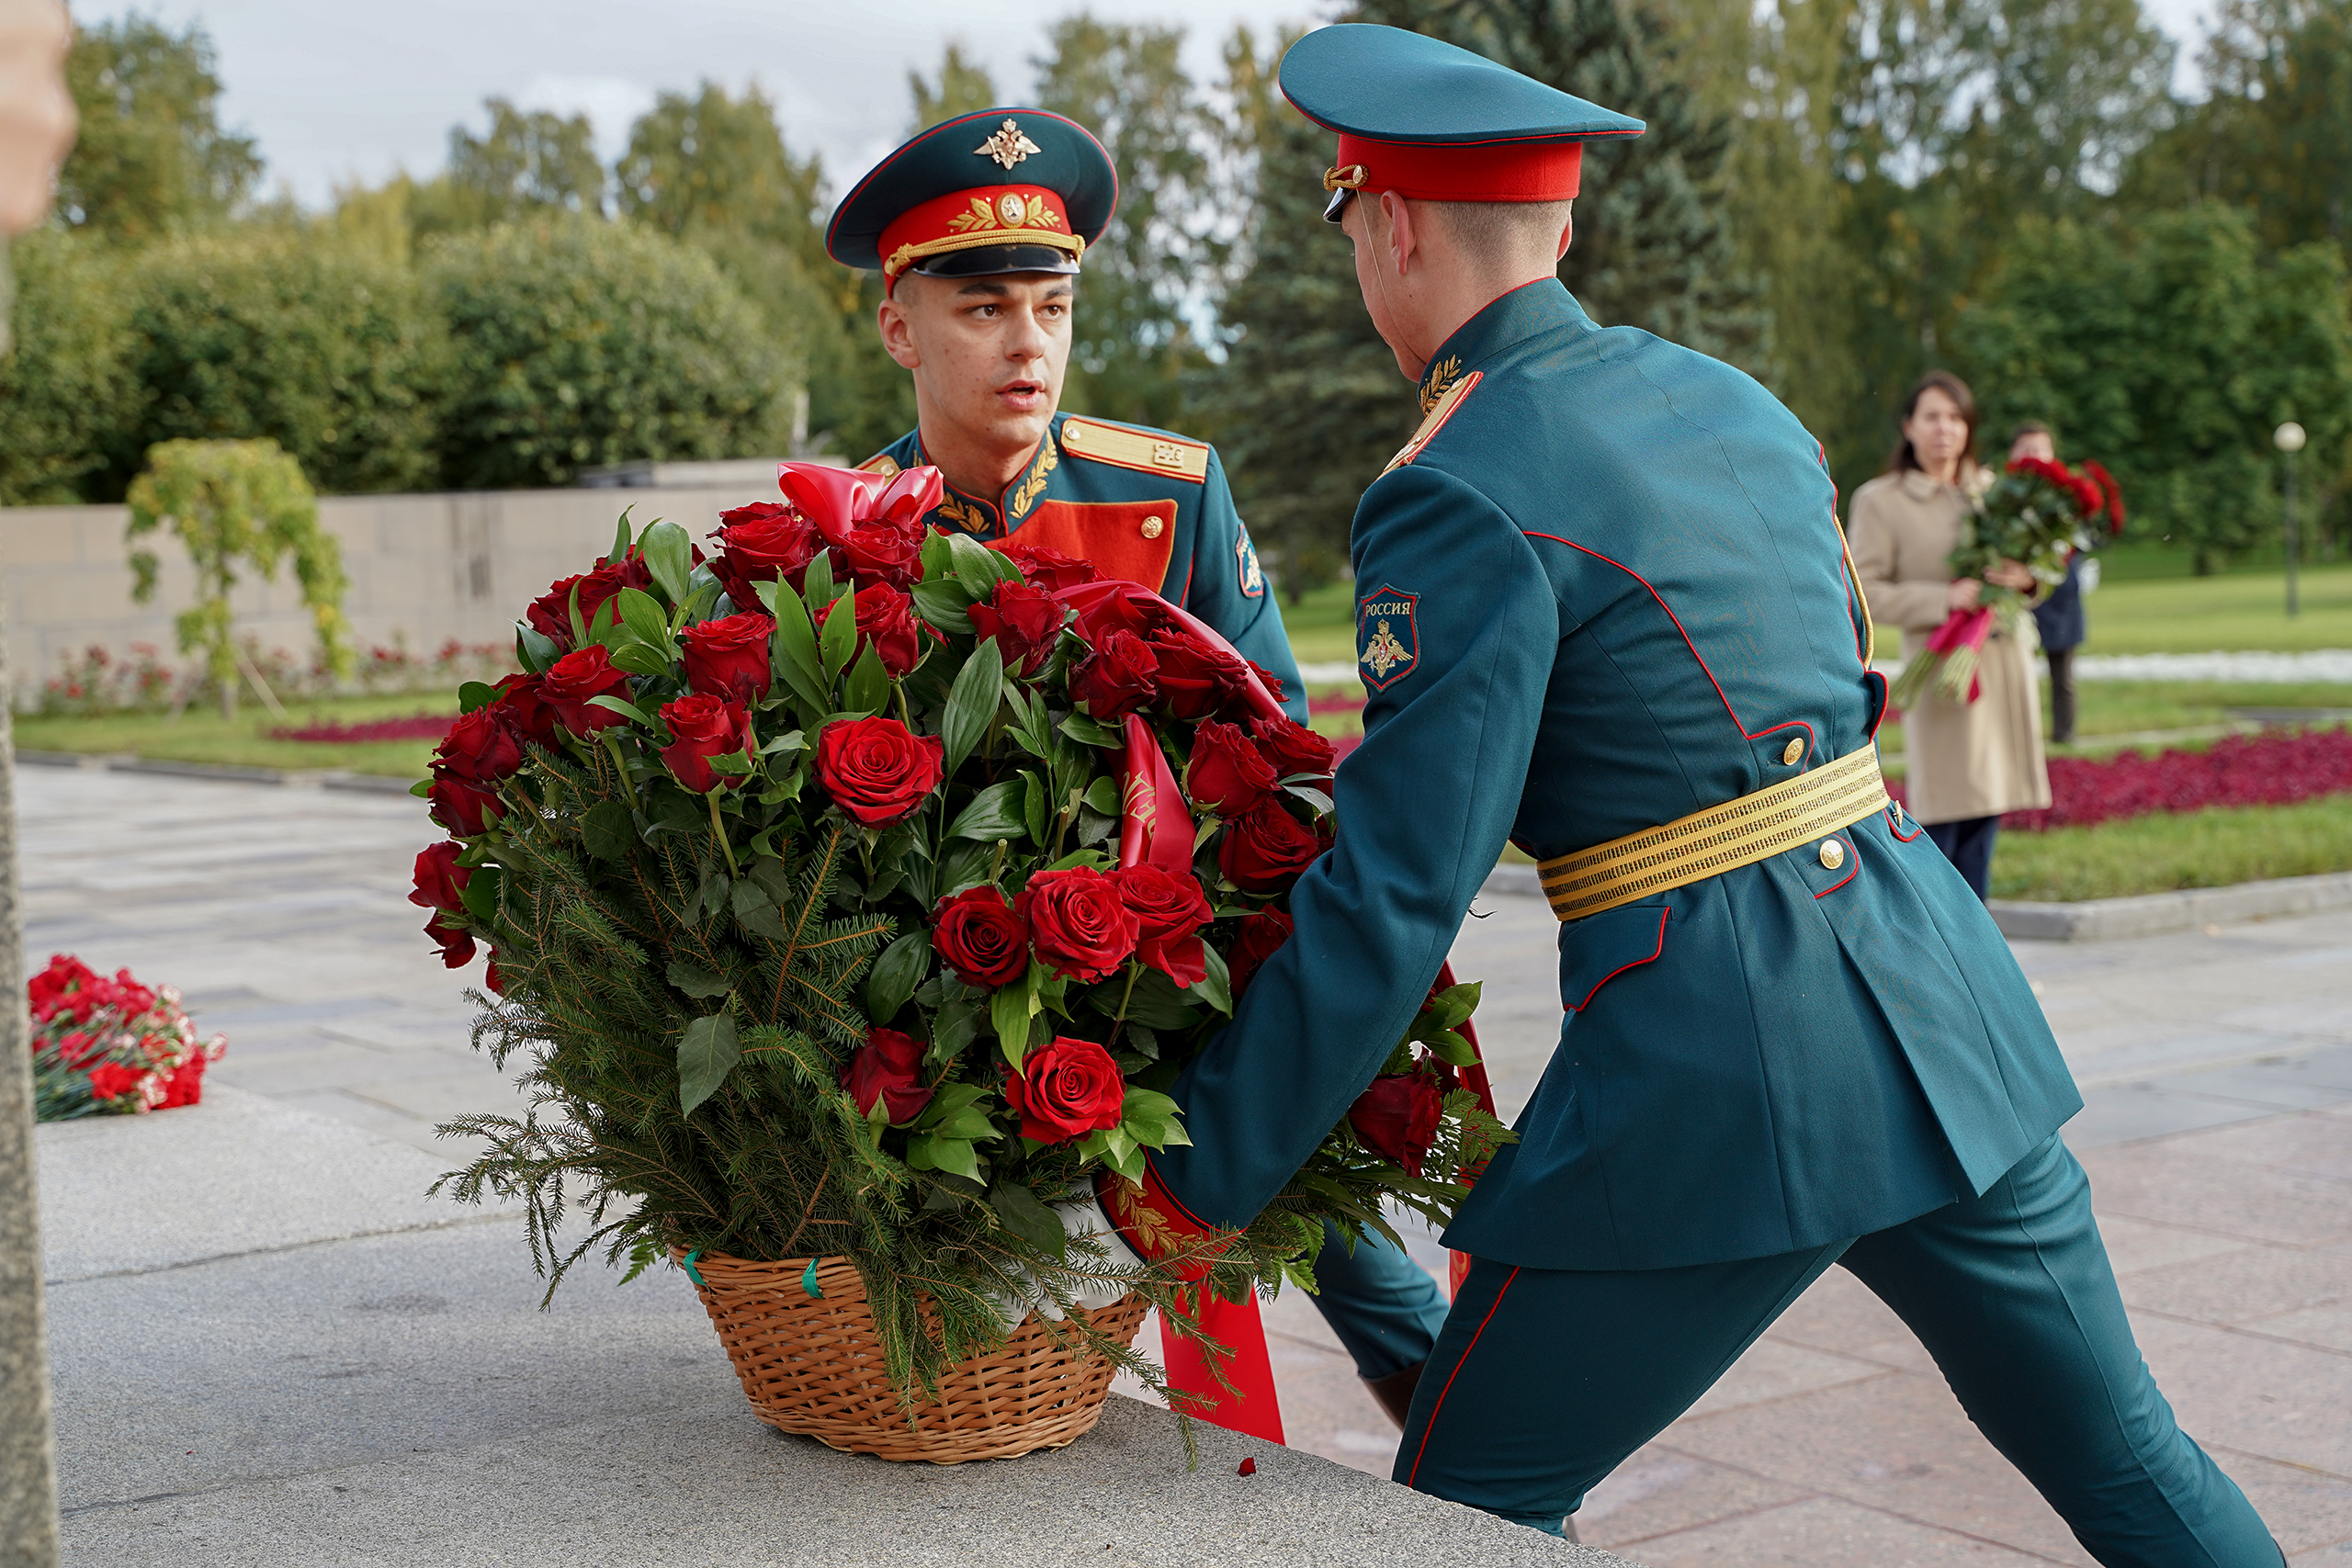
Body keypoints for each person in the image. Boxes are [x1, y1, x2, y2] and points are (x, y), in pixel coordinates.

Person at [1041, 24, 2281, 1562]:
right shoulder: (1744, 406)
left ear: (1394, 225)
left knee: (1467, 1509)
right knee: (2132, 1463)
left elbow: (1401, 887)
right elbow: (1848, 680)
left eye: (1351, 219)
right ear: (1561, 226)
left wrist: (1189, 1178)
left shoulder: (1452, 481)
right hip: (1935, 993)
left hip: (1724, 1057)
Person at [824, 109, 1453, 1426]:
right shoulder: (844, 531)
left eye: (1050, 307)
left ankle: (1477, 1471)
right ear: (900, 328)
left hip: (1178, 966)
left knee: (1342, 1237)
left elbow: (1275, 739)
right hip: (962, 999)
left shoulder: (1169, 491)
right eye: (984, 308)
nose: (1027, 344)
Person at [1849, 374, 2052, 900]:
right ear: (1908, 426)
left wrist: (2026, 579)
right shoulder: (1881, 500)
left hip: (2001, 663)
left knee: (1990, 806)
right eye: (1933, 416)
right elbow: (1861, 589)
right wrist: (1943, 598)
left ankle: (1978, 947)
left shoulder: (1993, 492)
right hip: (1943, 672)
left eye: (1956, 418)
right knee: (1947, 812)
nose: (1946, 429)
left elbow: (2041, 569)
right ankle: (1950, 944)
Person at [2015, 422, 2091, 745]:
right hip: (2016, 593)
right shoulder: (2005, 493)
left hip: (2060, 592)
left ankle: (2064, 735)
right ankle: (2022, 740)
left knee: (2063, 675)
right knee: (2017, 674)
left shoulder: (2067, 494)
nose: (2034, 457)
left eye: (2040, 450)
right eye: (2026, 449)